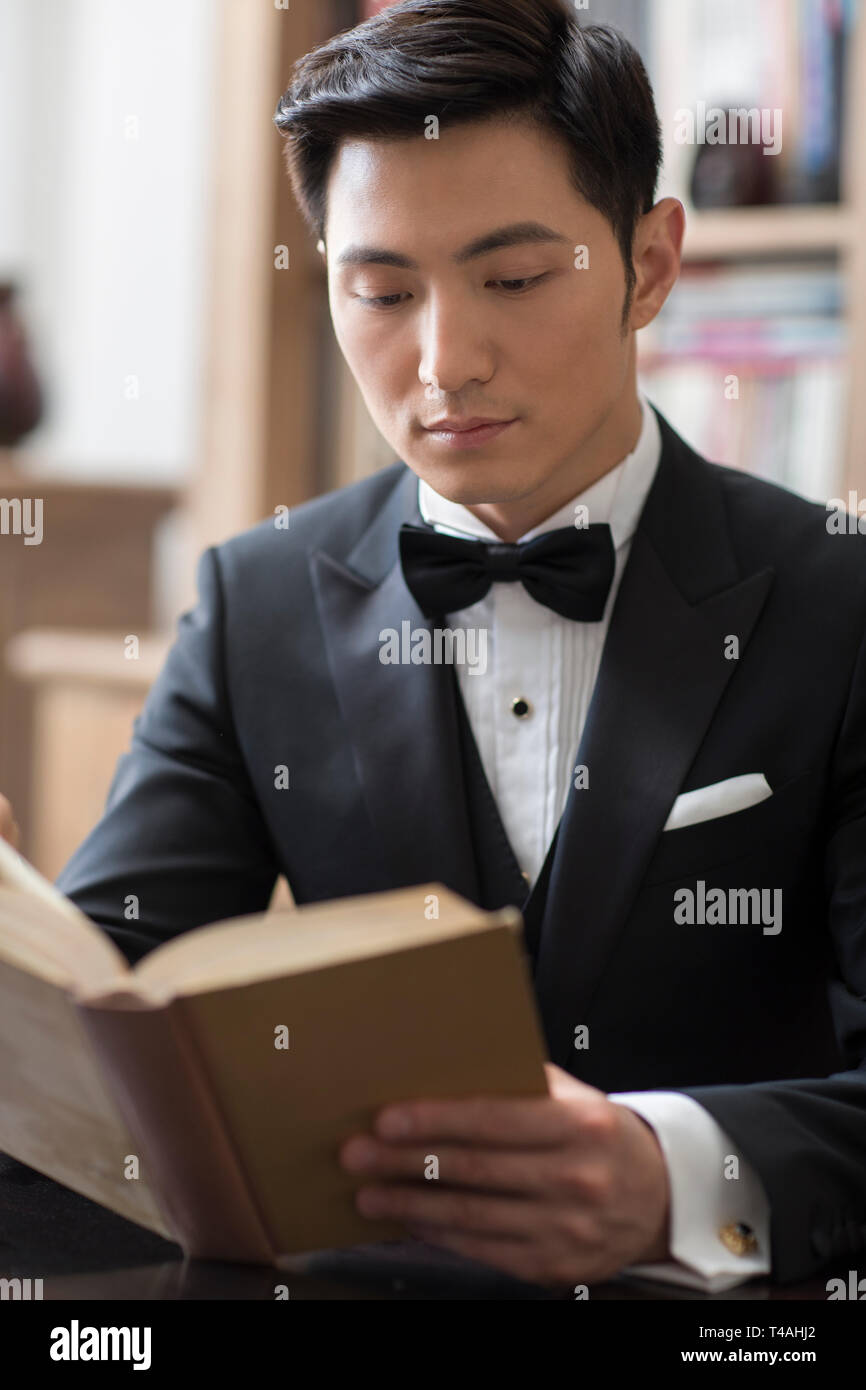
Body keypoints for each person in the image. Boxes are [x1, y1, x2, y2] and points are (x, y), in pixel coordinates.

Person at [10, 0, 866, 1292]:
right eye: (380, 290)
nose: (442, 359)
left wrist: (673, 1172)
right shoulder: (256, 600)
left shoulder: (836, 598)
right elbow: (114, 1013)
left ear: (647, 263)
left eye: (513, 280)